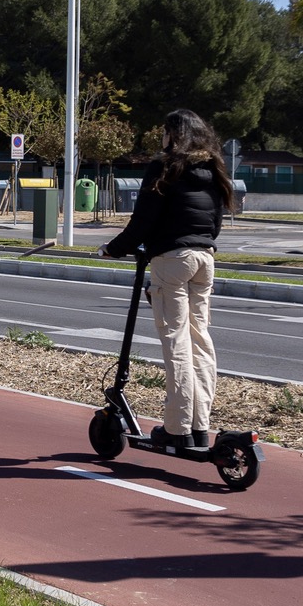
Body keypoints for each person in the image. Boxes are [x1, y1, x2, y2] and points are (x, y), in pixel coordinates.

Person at [102, 108, 237, 451]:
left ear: (173, 135)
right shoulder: (214, 169)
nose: (161, 138)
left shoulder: (165, 167)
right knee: (200, 342)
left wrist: (113, 249)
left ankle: (177, 429)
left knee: (176, 343)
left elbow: (142, 221)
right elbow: (214, 223)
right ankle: (199, 427)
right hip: (204, 259)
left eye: (164, 132)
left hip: (172, 260)